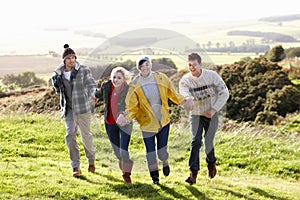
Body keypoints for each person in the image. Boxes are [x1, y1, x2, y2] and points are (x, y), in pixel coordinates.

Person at [117, 55, 193, 184]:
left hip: (163, 121)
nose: (145, 67)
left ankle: (164, 161)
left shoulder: (161, 78)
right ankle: (155, 179)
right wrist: (126, 117)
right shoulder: (134, 85)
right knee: (150, 153)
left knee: (162, 152)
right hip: (147, 124)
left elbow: (172, 94)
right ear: (138, 68)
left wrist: (184, 101)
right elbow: (132, 107)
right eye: (142, 65)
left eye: (147, 64)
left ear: (150, 65)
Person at [179, 53, 229, 185]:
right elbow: (184, 92)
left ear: (200, 64)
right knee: (195, 141)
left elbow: (224, 93)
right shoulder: (185, 80)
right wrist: (188, 99)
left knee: (208, 142)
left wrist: (213, 109)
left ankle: (211, 162)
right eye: (189, 65)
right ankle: (193, 174)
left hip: (211, 113)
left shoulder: (211, 76)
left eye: (194, 65)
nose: (192, 68)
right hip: (196, 114)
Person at [51, 44, 97, 177]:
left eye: (73, 57)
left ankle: (91, 161)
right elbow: (57, 90)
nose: (72, 60)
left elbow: (91, 84)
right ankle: (75, 166)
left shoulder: (83, 70)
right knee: (70, 134)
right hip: (69, 110)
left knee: (86, 135)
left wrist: (93, 94)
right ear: (64, 60)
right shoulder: (57, 74)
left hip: (83, 108)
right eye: (69, 58)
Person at [94, 67, 133, 184]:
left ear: (124, 79)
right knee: (117, 152)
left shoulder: (128, 89)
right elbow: (99, 93)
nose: (116, 80)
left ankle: (126, 175)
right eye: (114, 77)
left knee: (123, 151)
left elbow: (132, 105)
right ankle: (126, 163)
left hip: (125, 123)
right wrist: (93, 96)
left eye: (119, 78)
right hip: (110, 122)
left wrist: (125, 114)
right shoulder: (106, 86)